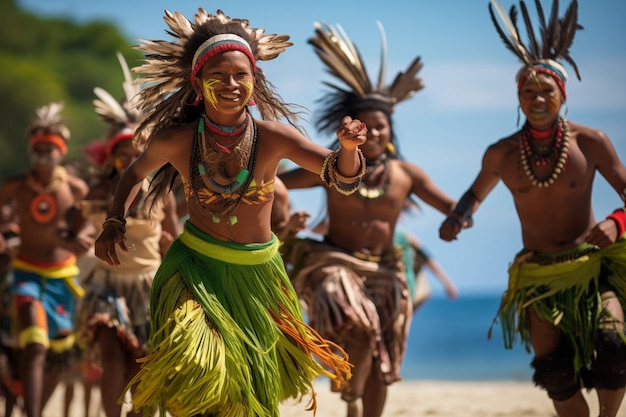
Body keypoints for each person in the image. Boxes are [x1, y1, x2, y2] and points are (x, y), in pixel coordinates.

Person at [93, 7, 365, 417]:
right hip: (194, 269)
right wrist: (114, 221)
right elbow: (134, 173)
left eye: (241, 76)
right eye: (218, 76)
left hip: (257, 277)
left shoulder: (274, 138)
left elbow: (339, 177)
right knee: (196, 367)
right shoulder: (177, 140)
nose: (231, 84)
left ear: (254, 83)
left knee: (243, 397)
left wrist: (347, 149)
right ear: (198, 85)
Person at [439, 1, 626, 416]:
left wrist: (617, 222)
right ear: (518, 97)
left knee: (613, 347)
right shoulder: (502, 154)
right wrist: (457, 218)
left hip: (592, 267)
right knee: (555, 374)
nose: (538, 98)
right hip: (539, 276)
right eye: (529, 91)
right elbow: (474, 195)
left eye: (547, 91)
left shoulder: (590, 142)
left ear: (563, 93)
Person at [279, 22, 461, 417]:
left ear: (391, 130)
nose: (373, 131)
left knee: (382, 355)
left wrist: (459, 218)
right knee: (359, 328)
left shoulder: (405, 175)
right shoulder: (328, 168)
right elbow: (275, 181)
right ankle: (349, 392)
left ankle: (360, 403)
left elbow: (452, 205)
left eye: (380, 125)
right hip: (335, 265)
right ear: (348, 130)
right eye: (364, 125)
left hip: (385, 270)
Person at [75, 52, 181, 417]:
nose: (127, 158)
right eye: (120, 153)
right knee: (110, 354)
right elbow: (71, 228)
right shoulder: (100, 191)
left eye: (133, 151)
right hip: (107, 284)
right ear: (112, 156)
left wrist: (175, 255)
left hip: (148, 286)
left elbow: (174, 238)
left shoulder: (160, 193)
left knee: (141, 365)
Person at [0, 102, 92, 417]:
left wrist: (83, 239)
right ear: (30, 150)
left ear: (61, 151)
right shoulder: (16, 186)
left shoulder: (75, 188)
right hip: (26, 274)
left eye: (50, 147)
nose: (44, 153)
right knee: (35, 345)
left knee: (58, 356)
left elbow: (89, 222)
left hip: (63, 278)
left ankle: (31, 409)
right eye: (38, 147)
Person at [394, 229, 457, 312]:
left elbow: (426, 259)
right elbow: (427, 260)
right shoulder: (405, 235)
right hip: (404, 289)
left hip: (399, 288)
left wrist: (447, 283)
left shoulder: (402, 235)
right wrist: (448, 284)